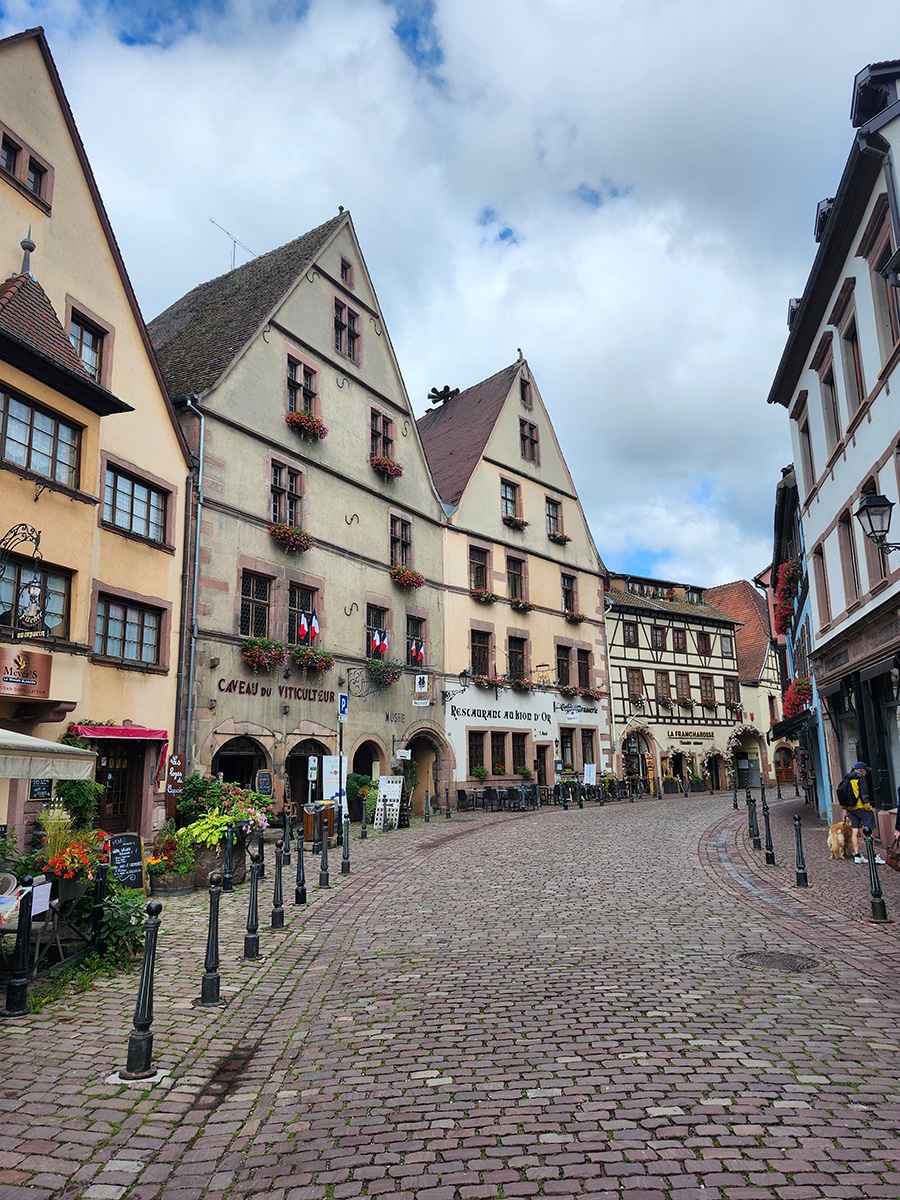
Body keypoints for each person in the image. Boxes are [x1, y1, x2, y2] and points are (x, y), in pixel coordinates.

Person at [840, 761, 885, 864]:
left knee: (855, 830)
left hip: (851, 809)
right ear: (861, 770)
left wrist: (847, 809)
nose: (866, 773)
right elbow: (864, 795)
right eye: (865, 771)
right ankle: (873, 855)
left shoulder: (847, 778)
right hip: (862, 808)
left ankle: (857, 855)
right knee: (869, 830)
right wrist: (868, 807)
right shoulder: (861, 778)